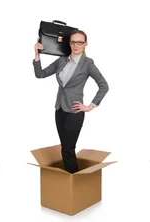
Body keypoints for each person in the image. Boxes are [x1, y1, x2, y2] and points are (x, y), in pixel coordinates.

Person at [33, 30, 109, 174]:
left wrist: (90, 106)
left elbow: (104, 85)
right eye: (73, 42)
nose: (76, 45)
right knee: (65, 147)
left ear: (85, 44)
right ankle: (70, 178)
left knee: (68, 148)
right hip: (59, 109)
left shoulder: (87, 64)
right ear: (69, 43)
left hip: (75, 112)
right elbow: (40, 74)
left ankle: (73, 179)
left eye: (80, 42)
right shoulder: (62, 60)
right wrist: (37, 54)